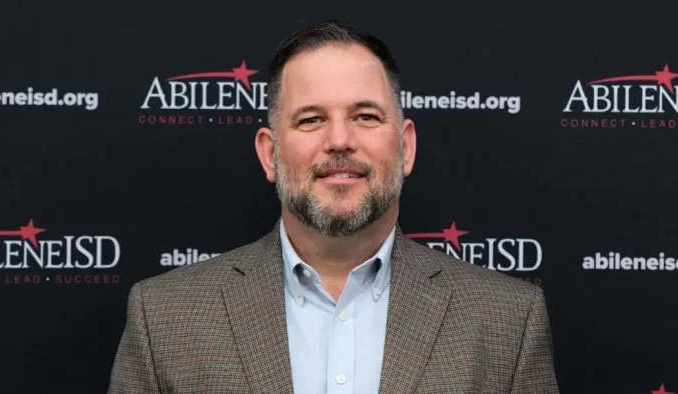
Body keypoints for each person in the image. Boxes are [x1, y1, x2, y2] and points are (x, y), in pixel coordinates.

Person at [108, 19, 559, 394]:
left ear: (405, 147)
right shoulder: (165, 318)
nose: (340, 140)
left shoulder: (507, 322)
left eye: (365, 116)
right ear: (270, 153)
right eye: (311, 119)